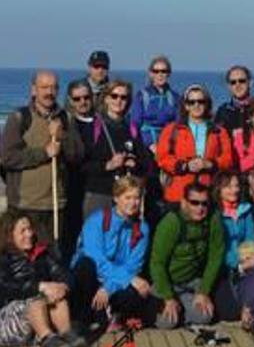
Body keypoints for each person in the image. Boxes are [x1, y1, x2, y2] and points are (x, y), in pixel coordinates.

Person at [0, 70, 85, 250]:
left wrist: (62, 136)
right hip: (24, 204)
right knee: (21, 257)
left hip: (55, 204)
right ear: (33, 90)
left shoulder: (65, 118)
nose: (49, 92)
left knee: (51, 257)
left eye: (54, 88)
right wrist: (44, 153)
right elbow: (8, 158)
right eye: (44, 87)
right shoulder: (19, 118)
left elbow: (77, 156)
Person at [0, 210, 90, 347]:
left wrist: (62, 286)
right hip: (8, 322)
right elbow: (6, 288)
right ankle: (47, 340)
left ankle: (67, 337)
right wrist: (40, 287)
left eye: (30, 229)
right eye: (23, 231)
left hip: (37, 318)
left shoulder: (42, 253)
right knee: (36, 299)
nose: (29, 234)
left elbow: (65, 274)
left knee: (57, 298)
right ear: (10, 235)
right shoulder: (4, 259)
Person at [70, 177, 154, 328]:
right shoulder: (96, 221)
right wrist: (127, 278)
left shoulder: (142, 229)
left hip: (115, 282)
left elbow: (133, 266)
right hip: (92, 275)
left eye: (137, 198)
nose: (133, 203)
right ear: (116, 198)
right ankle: (82, 316)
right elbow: (96, 259)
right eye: (127, 197)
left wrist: (108, 288)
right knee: (85, 265)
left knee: (139, 290)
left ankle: (112, 314)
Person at [149, 183, 225, 329]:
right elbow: (157, 263)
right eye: (194, 203)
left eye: (204, 203)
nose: (200, 208)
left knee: (205, 316)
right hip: (168, 281)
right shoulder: (171, 223)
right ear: (184, 202)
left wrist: (204, 291)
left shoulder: (213, 219)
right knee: (167, 323)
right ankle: (171, 307)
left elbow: (216, 257)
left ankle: (182, 309)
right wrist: (169, 297)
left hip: (192, 282)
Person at [81, 80, 150, 218]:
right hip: (100, 194)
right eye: (114, 96)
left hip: (126, 197)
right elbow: (82, 165)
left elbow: (145, 163)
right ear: (106, 98)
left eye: (123, 97)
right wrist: (108, 165)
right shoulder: (92, 127)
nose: (118, 100)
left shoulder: (132, 128)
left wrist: (134, 164)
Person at [156, 84, 233, 204]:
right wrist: (185, 166)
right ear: (186, 106)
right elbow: (162, 157)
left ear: (207, 104)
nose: (196, 105)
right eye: (192, 102)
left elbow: (228, 159)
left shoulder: (219, 131)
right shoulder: (171, 130)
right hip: (178, 195)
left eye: (201, 101)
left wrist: (210, 164)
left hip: (208, 194)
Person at [212, 172, 254, 322]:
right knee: (229, 312)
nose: (234, 190)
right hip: (223, 267)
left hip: (245, 262)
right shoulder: (214, 213)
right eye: (228, 186)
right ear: (219, 189)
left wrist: (252, 257)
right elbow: (217, 247)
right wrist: (237, 263)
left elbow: (251, 237)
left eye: (236, 186)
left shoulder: (246, 209)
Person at [62, 80, 96, 259]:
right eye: (77, 99)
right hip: (73, 187)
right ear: (70, 100)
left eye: (86, 97)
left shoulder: (100, 123)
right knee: (71, 234)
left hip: (97, 188)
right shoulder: (65, 124)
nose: (82, 102)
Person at [131, 55, 179, 154]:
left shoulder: (175, 97)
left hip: (168, 147)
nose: (160, 74)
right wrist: (148, 144)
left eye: (163, 71)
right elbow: (135, 124)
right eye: (156, 71)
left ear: (168, 73)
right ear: (150, 74)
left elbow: (178, 124)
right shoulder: (142, 96)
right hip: (145, 148)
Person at [214, 65, 254, 137]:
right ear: (229, 86)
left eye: (242, 81)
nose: (237, 85)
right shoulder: (223, 111)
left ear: (250, 83)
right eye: (233, 82)